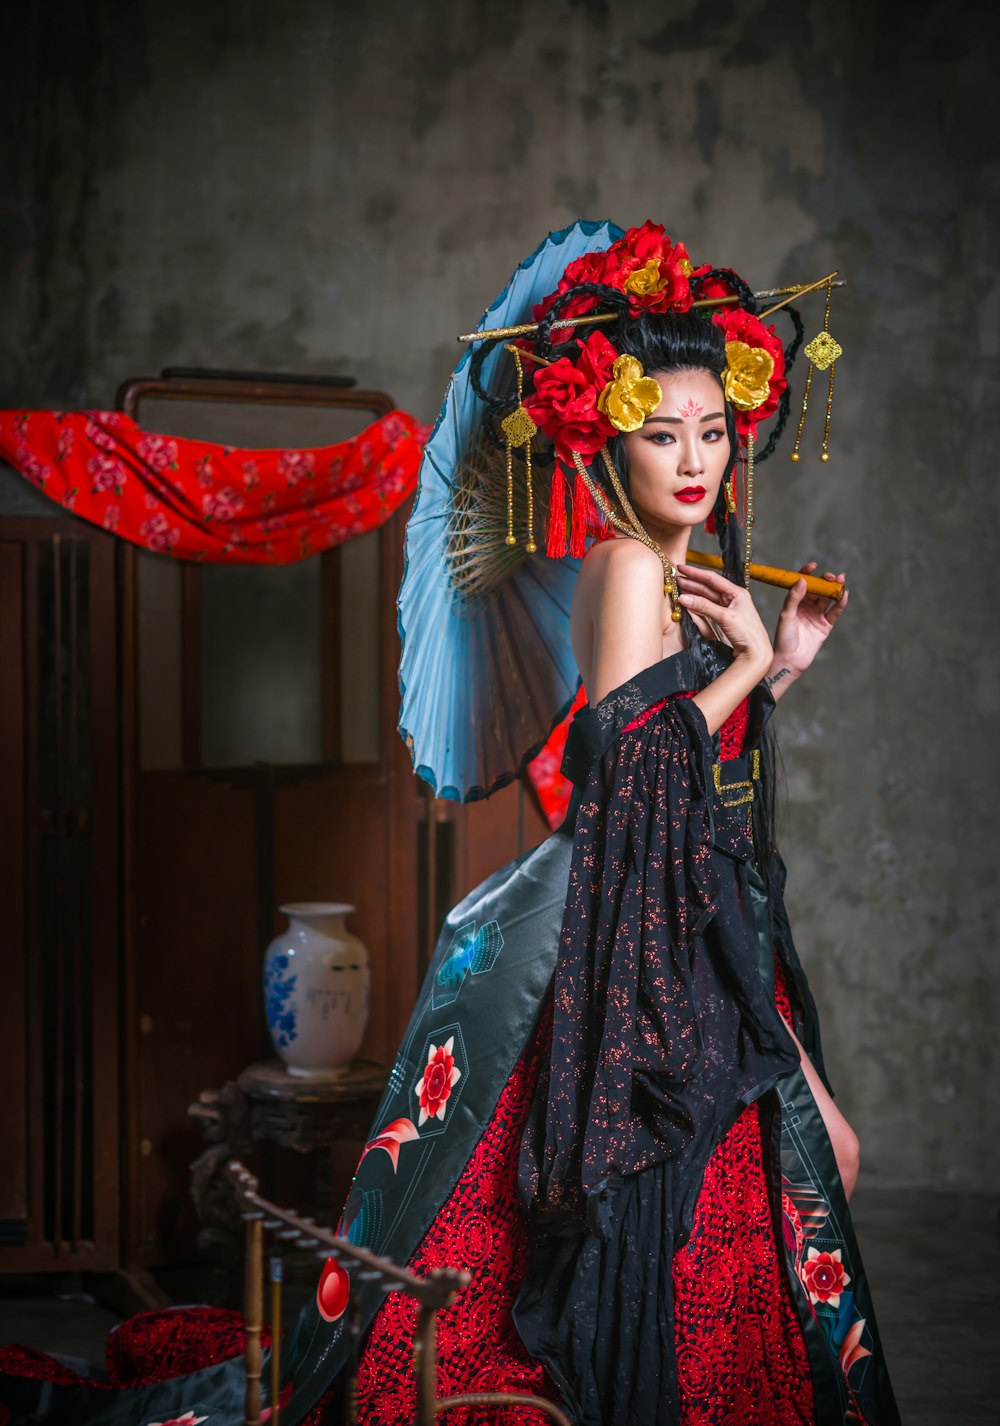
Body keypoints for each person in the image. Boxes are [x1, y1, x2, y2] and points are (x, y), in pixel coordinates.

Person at [0, 222, 900, 1426]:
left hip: (682, 911)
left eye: (710, 430)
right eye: (658, 432)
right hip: (626, 926)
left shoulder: (679, 568)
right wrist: (738, 668)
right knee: (743, 1183)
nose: (692, 459)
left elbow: (684, 759)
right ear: (607, 442)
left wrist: (774, 667)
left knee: (777, 1184)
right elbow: (624, 768)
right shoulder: (627, 567)